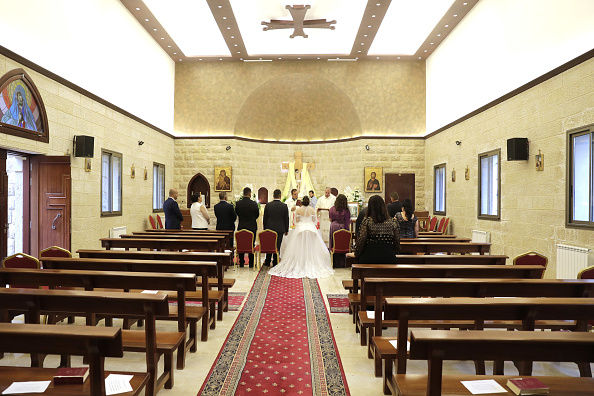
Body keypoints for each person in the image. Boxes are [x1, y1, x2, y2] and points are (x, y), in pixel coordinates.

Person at [269, 196, 334, 279]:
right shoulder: (312, 209)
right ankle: (310, 261)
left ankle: (300, 262)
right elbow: (314, 221)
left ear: (302, 202)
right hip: (311, 229)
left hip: (300, 229)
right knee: (311, 247)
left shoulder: (298, 210)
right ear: (309, 202)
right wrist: (308, 222)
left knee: (299, 247)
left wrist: (302, 222)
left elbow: (296, 221)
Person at [355, 195, 400, 264]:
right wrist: (394, 251)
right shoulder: (393, 222)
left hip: (369, 256)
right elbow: (397, 240)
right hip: (388, 256)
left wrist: (357, 253)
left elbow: (362, 239)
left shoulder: (367, 221)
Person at [262, 189, 289, 266]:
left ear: (273, 196)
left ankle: (267, 261)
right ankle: (275, 261)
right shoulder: (284, 206)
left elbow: (265, 218)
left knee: (269, 245)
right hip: (280, 228)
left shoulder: (268, 205)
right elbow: (286, 218)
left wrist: (265, 229)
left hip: (269, 228)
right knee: (277, 245)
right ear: (280, 196)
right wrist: (286, 229)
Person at [235, 186, 259, 268]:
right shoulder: (254, 204)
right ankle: (251, 263)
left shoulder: (238, 204)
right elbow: (257, 215)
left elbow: (237, 213)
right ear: (250, 194)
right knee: (251, 244)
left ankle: (241, 262)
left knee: (241, 244)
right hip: (252, 226)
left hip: (241, 226)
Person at [329, 194, 351, 267]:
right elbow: (348, 221)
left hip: (334, 227)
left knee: (334, 243)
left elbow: (330, 219)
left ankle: (335, 262)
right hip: (344, 227)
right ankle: (343, 262)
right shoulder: (346, 210)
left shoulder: (332, 209)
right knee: (343, 243)